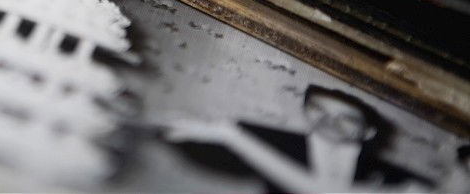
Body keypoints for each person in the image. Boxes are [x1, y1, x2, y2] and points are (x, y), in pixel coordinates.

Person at [164, 85, 431, 192]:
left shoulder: (399, 180)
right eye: (318, 111)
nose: (328, 123)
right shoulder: (269, 139)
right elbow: (190, 150)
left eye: (346, 119)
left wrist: (232, 135)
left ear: (368, 132)